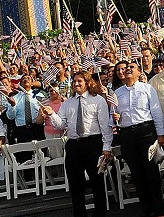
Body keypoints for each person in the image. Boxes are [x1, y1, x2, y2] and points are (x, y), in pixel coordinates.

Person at [43, 72, 113, 217]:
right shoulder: (68, 103)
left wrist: (106, 147)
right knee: (75, 183)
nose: (76, 84)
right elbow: (60, 125)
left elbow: (105, 126)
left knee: (97, 181)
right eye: (74, 81)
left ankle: (100, 212)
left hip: (93, 143)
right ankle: (79, 213)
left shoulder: (98, 100)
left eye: (79, 81)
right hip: (73, 144)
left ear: (87, 82)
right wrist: (51, 114)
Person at [114, 61, 164, 217]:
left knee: (150, 170)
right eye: (127, 68)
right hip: (127, 134)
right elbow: (113, 118)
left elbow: (156, 111)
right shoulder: (117, 93)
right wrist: (115, 118)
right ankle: (146, 207)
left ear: (139, 72)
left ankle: (158, 206)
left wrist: (160, 134)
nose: (129, 69)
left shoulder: (147, 89)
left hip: (146, 132)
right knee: (136, 173)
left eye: (132, 67)